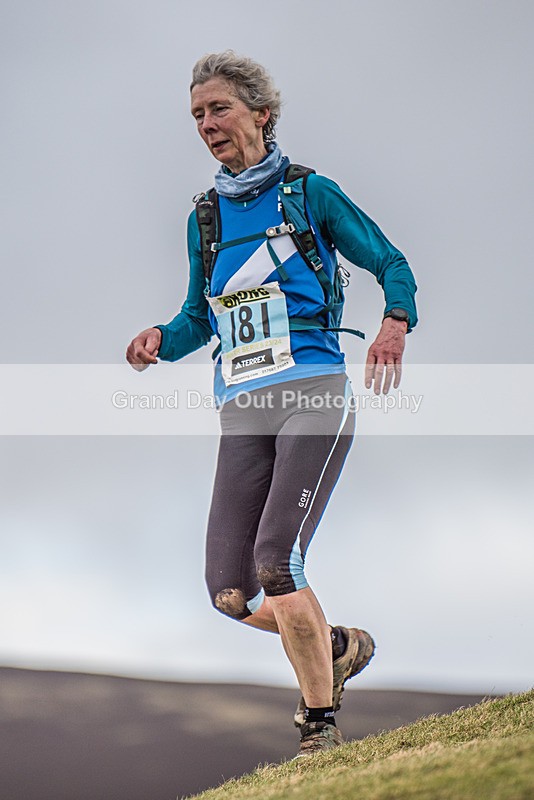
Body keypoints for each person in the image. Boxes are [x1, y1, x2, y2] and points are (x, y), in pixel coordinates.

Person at [126, 51, 418, 758]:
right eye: (196, 115)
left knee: (276, 564)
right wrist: (164, 338)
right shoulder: (205, 218)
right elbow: (201, 314)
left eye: (218, 108)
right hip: (242, 409)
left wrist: (394, 322)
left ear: (261, 112)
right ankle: (339, 645)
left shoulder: (310, 194)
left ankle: (318, 725)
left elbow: (391, 263)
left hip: (313, 392)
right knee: (231, 591)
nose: (206, 124)